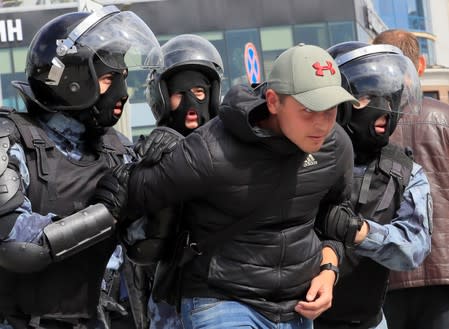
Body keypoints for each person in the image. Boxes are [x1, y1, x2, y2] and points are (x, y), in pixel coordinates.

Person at [94, 43, 360, 329]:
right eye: (308, 109)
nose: (321, 123)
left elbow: (335, 218)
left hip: (296, 307)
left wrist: (329, 271)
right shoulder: (210, 149)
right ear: (273, 101)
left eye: (330, 109)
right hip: (220, 300)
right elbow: (127, 191)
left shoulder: (336, 146)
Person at [0, 6, 162, 329]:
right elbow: (13, 242)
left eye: (122, 80)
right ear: (70, 81)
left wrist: (163, 180)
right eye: (106, 79)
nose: (121, 94)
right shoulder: (11, 135)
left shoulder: (121, 151)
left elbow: (144, 246)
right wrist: (105, 213)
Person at [314, 41, 432, 329]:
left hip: (366, 321)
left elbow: (414, 247)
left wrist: (359, 231)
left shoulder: (406, 172)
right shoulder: (305, 161)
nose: (384, 111)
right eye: (368, 97)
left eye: (390, 99)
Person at [123, 33, 224, 329]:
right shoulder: (145, 156)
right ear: (162, 97)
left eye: (199, 91)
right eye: (180, 93)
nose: (191, 102)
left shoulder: (233, 152)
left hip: (224, 301)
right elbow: (135, 242)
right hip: (167, 307)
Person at [373, 29, 449, 329]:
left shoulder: (368, 122)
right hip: (444, 270)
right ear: (421, 65)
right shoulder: (445, 117)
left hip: (385, 270)